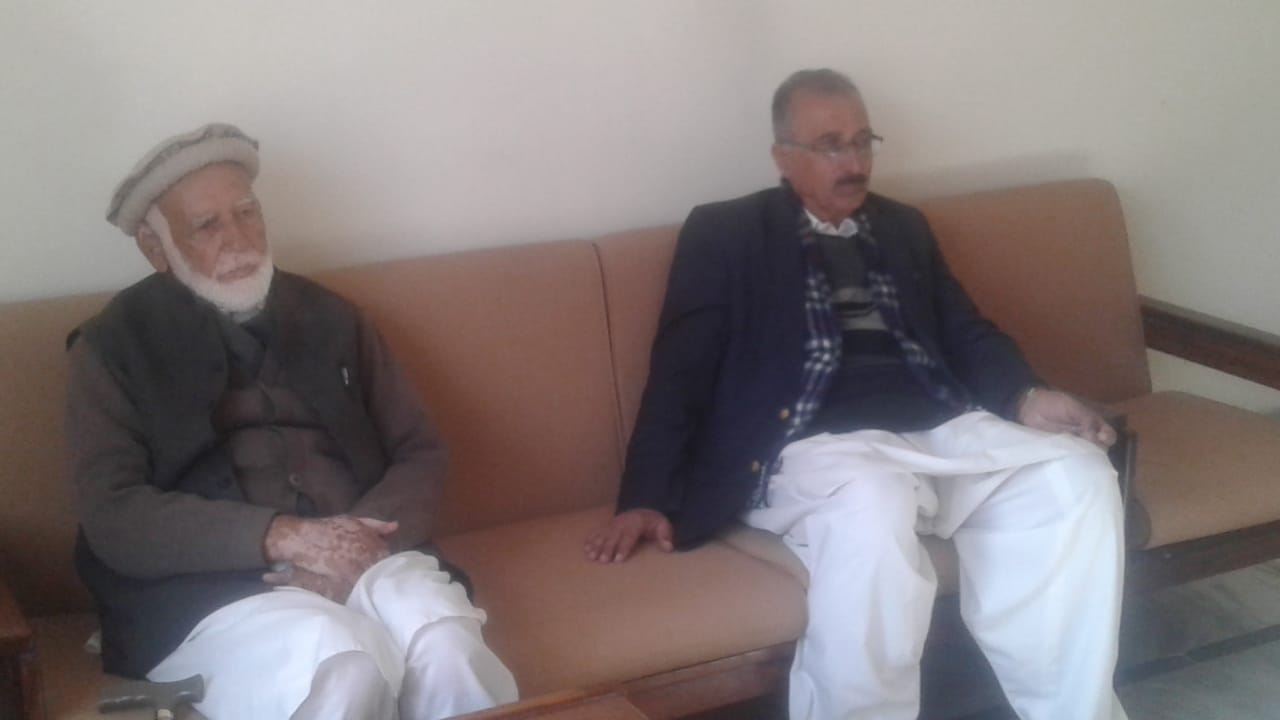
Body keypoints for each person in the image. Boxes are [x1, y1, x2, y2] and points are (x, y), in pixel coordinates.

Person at [584, 69, 1129, 719]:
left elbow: (965, 332)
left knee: (1075, 475)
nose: (853, 162)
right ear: (783, 157)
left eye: (863, 141)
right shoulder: (725, 232)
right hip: (811, 440)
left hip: (934, 423)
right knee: (874, 501)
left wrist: (1027, 397)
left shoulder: (903, 227)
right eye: (830, 145)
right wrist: (644, 494)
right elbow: (680, 368)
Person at [68, 123, 518, 719]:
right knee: (345, 671)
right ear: (157, 249)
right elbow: (113, 513)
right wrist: (284, 537)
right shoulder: (111, 347)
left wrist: (361, 542)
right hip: (217, 586)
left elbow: (419, 450)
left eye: (247, 213)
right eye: (207, 225)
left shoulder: (333, 316)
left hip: (371, 552)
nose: (238, 239)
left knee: (446, 647)